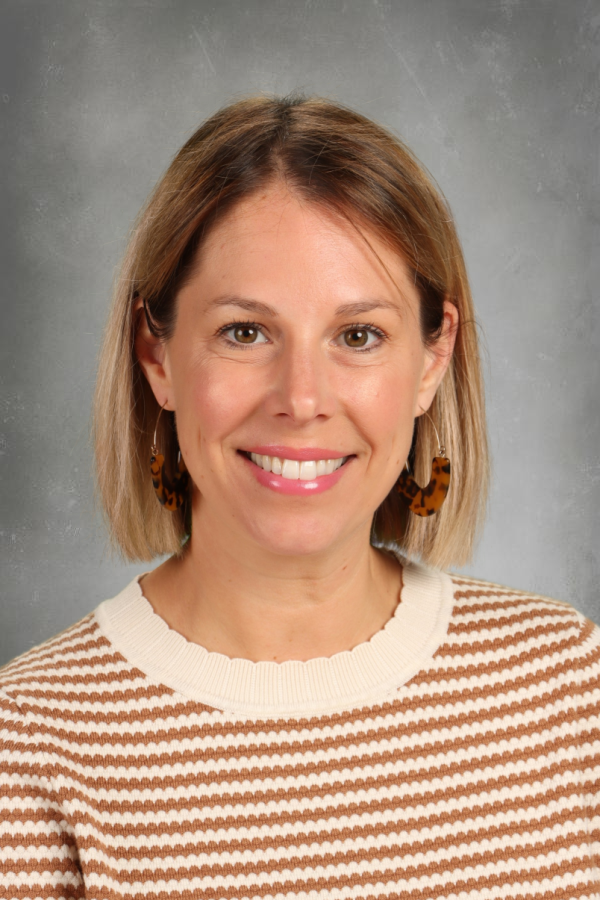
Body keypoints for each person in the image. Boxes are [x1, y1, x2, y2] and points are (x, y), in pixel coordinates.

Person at [1, 94, 598, 899]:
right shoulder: (30, 744)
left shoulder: (567, 687)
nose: (302, 398)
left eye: (359, 336)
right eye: (245, 332)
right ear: (157, 355)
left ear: (431, 359)